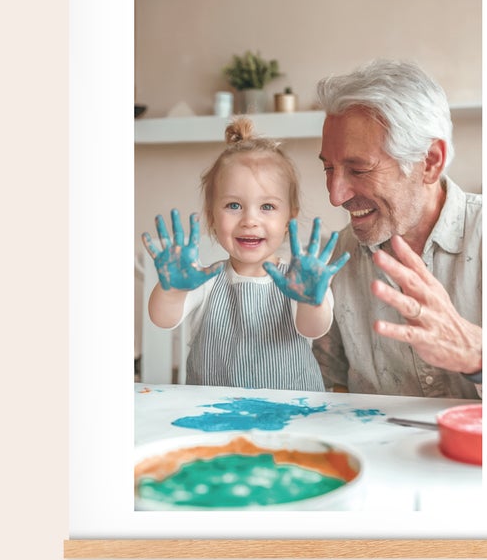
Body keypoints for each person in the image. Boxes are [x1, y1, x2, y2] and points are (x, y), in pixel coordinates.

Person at [312, 59, 483, 398]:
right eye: (328, 169)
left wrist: (478, 355)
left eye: (358, 170)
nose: (335, 195)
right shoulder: (334, 258)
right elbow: (329, 388)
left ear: (430, 162)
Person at [142, 116, 349, 391]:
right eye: (233, 205)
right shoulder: (204, 281)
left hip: (292, 415)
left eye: (267, 207)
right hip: (213, 414)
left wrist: (313, 301)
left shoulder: (300, 281)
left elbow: (314, 329)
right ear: (211, 216)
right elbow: (162, 318)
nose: (250, 220)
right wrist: (172, 291)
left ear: (290, 217)